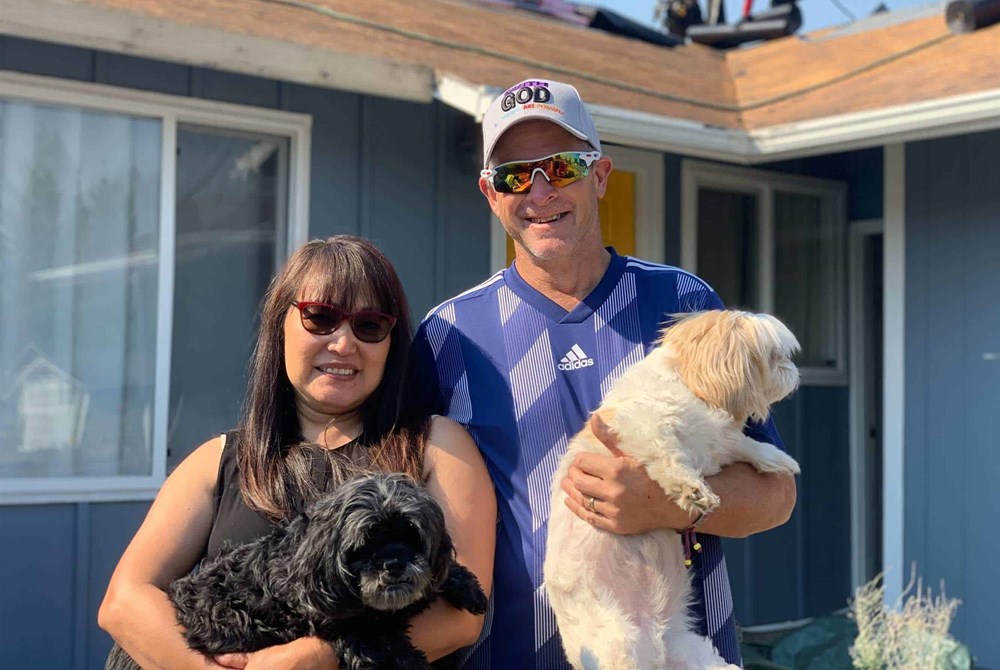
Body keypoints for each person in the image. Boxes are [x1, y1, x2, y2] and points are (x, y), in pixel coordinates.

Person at [406, 79, 797, 668]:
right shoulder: (448, 335)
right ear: (490, 194)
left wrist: (671, 506)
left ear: (601, 175)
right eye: (515, 175)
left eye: (561, 166)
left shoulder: (686, 307)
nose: (540, 190)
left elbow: (776, 496)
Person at [99, 235, 496, 670]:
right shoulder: (219, 460)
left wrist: (315, 658)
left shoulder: (436, 444)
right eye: (321, 318)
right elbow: (123, 602)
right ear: (279, 326)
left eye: (369, 325)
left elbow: (462, 618)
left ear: (390, 342)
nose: (344, 344)